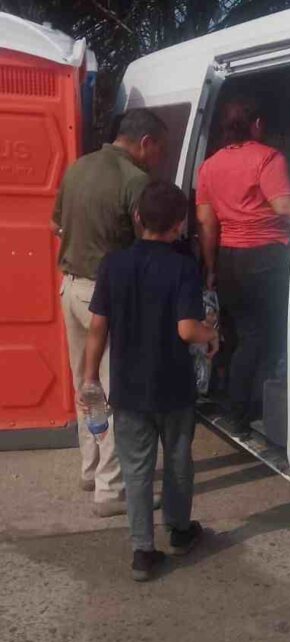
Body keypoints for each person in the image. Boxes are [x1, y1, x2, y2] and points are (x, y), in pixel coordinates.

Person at [83, 181, 219, 581]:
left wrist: (90, 378)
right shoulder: (183, 267)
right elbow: (187, 330)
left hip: (129, 389)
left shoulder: (113, 265)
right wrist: (212, 333)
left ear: (138, 217)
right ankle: (179, 531)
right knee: (177, 462)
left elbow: (97, 328)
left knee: (137, 470)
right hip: (173, 389)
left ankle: (143, 551)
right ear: (179, 225)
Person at [52, 108, 167, 517]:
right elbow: (149, 245)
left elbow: (55, 226)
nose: (160, 158)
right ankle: (112, 489)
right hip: (107, 297)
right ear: (145, 143)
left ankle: (91, 468)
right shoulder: (135, 180)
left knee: (86, 385)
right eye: (160, 149)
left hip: (70, 289)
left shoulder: (77, 168)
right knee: (119, 391)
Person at [196, 96, 290, 435]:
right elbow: (283, 207)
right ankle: (246, 412)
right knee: (265, 336)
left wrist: (211, 267)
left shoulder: (209, 166)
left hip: (229, 259)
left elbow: (206, 222)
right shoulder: (268, 158)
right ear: (257, 125)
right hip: (267, 258)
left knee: (240, 334)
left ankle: (234, 404)